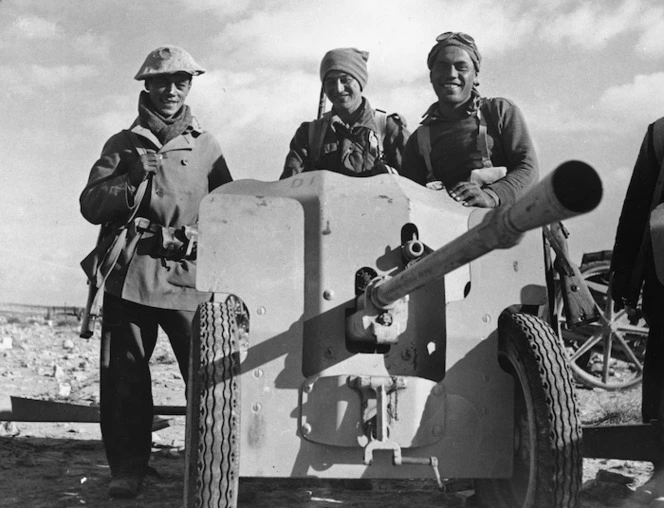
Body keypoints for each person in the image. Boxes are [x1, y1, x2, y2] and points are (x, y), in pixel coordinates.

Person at [79, 45, 232, 498]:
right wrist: (128, 178)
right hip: (130, 274)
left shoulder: (207, 146)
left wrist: (193, 239)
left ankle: (214, 463)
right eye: (162, 82)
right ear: (147, 86)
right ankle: (127, 468)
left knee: (206, 377)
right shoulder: (122, 144)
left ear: (190, 87)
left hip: (188, 277)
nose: (171, 91)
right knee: (125, 376)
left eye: (180, 82)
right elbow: (90, 204)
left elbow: (226, 212)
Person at [400, 32, 538, 207]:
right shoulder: (418, 140)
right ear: (431, 76)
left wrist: (491, 195)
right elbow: (410, 200)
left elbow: (528, 169)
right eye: (442, 66)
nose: (451, 74)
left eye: (461, 67)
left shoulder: (499, 111)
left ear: (475, 76)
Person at [611, 117, 664, 504]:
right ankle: (662, 473)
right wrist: (625, 278)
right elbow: (637, 206)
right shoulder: (661, 134)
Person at [281, 47, 410, 179]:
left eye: (345, 79)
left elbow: (416, 187)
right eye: (330, 82)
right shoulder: (308, 134)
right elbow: (289, 187)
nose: (338, 88)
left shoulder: (388, 128)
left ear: (360, 82)